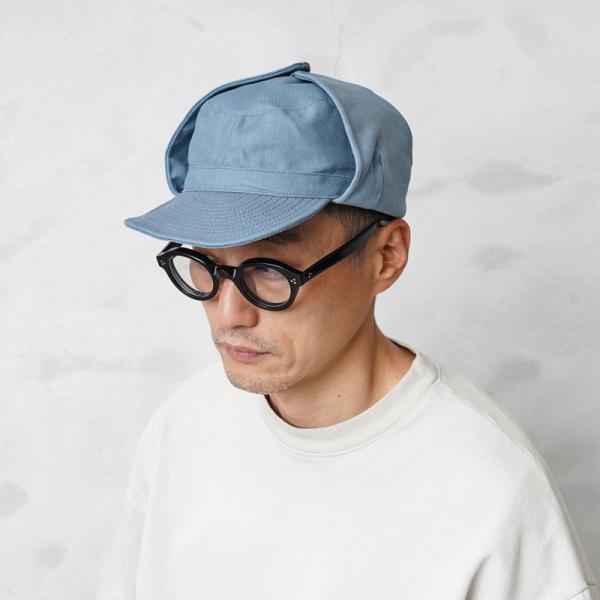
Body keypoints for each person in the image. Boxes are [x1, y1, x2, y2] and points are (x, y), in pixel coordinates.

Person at [95, 61, 598, 599]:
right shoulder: (184, 425)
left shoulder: (491, 490)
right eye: (205, 264)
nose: (229, 313)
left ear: (386, 256)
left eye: (271, 269)